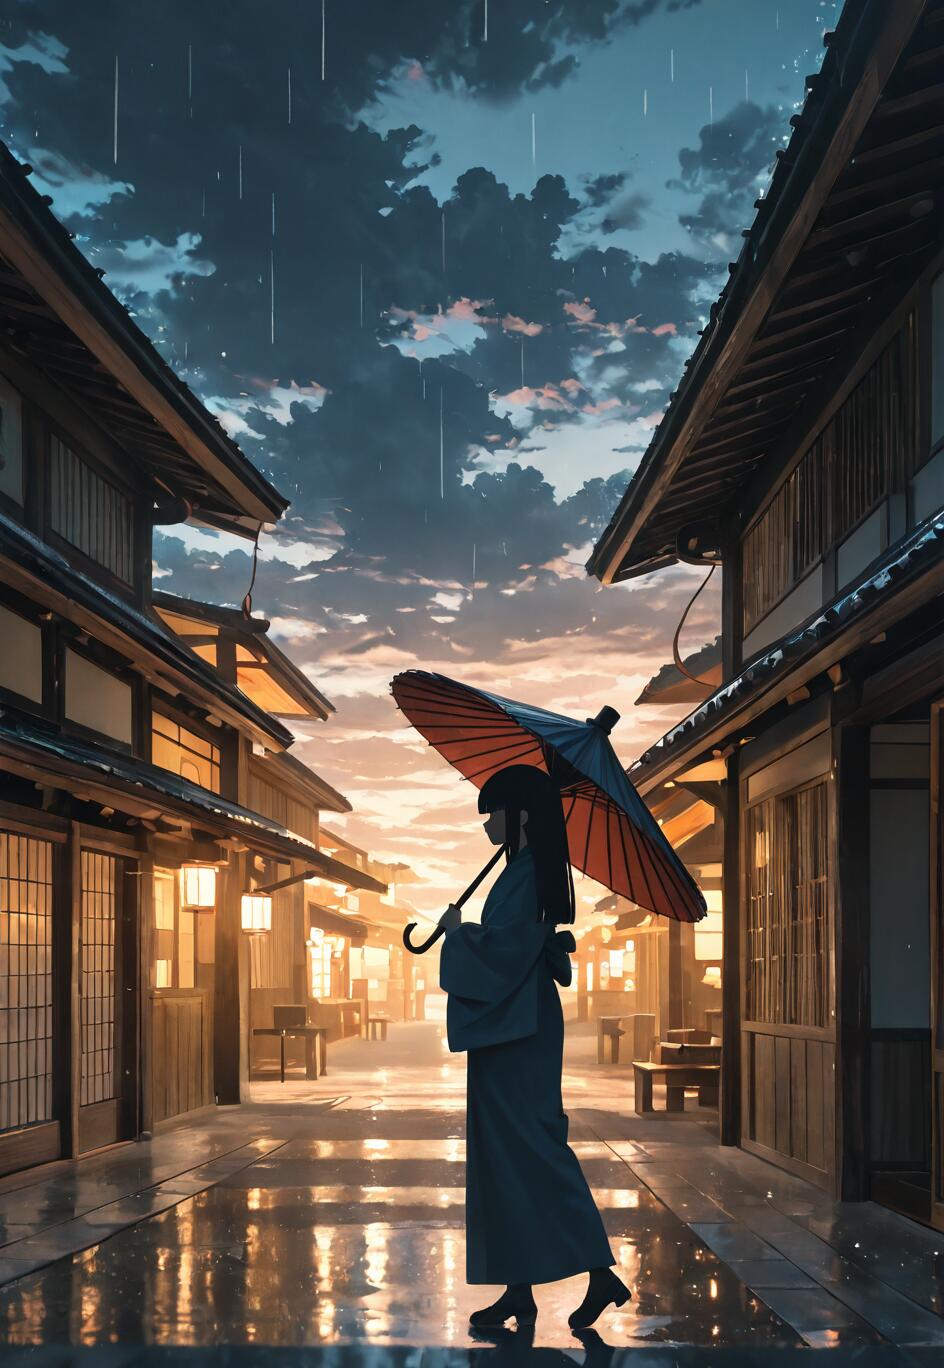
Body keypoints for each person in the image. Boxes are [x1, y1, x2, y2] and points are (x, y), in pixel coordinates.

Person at [437, 763, 632, 1331]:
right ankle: (518, 1289)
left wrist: (459, 933)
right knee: (506, 1157)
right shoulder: (525, 871)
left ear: (520, 815)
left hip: (517, 1032)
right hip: (512, 1025)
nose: (487, 825)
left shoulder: (526, 876)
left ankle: (598, 1272)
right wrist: (471, 934)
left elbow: (508, 949)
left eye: (493, 813)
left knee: (535, 1151)